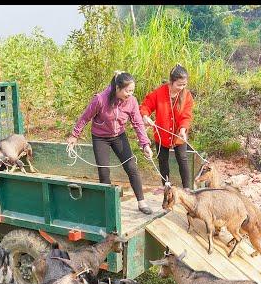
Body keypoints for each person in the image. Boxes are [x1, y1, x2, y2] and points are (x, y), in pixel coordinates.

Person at [67, 71, 154, 215]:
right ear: (117, 88)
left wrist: (145, 144)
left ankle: (141, 202)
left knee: (131, 166)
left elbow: (138, 123)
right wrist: (74, 135)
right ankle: (106, 205)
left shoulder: (131, 101)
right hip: (100, 137)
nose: (130, 94)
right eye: (127, 91)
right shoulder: (100, 99)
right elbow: (85, 117)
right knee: (104, 170)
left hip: (119, 136)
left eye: (132, 91)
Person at [140, 64, 194, 191]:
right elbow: (145, 106)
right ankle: (166, 186)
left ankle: (187, 189)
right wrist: (145, 116)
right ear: (171, 81)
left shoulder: (187, 96)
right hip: (161, 134)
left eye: (184, 84)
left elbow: (187, 115)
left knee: (182, 158)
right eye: (179, 84)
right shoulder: (159, 93)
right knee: (162, 159)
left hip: (179, 134)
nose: (182, 87)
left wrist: (182, 129)